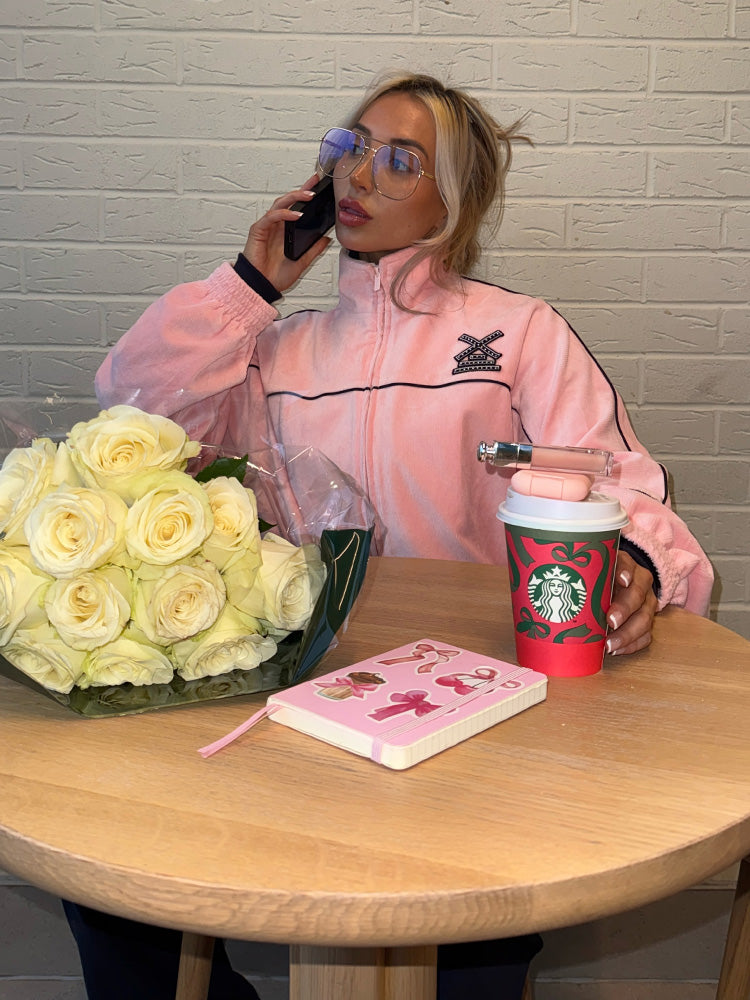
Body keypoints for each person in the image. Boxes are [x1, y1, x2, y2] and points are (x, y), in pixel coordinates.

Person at [66, 72, 713, 999]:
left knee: (474, 951)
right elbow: (132, 411)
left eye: (402, 159)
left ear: (455, 203)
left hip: (485, 713)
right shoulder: (273, 348)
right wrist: (250, 287)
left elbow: (615, 478)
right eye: (350, 145)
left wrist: (635, 566)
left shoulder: (520, 333)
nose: (360, 171)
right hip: (307, 693)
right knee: (119, 890)